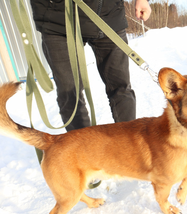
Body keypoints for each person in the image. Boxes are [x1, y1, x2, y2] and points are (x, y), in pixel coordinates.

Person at [30, 0, 152, 131]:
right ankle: (82, 149)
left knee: (121, 88)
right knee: (70, 94)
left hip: (108, 15)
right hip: (57, 19)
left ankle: (128, 145)